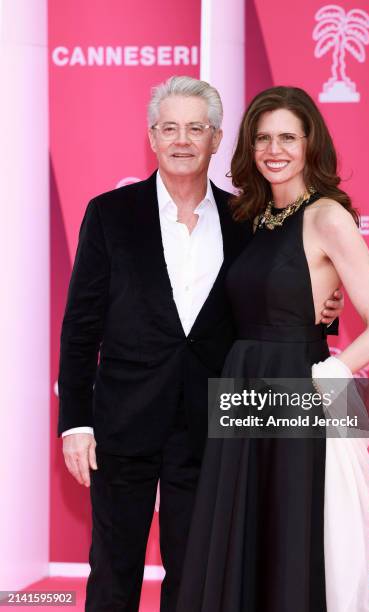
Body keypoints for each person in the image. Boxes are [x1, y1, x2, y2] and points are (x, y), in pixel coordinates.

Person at [57, 76, 344, 612]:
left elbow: (273, 300)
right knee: (113, 570)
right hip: (123, 422)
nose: (182, 140)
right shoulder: (110, 214)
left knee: (198, 577)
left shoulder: (248, 220)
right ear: (152, 137)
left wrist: (328, 312)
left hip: (213, 426)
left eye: (197, 128)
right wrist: (76, 421)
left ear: (216, 140)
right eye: (170, 128)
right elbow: (79, 329)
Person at [176, 86, 369, 612]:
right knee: (243, 533)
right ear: (249, 147)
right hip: (241, 384)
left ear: (309, 144)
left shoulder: (327, 215)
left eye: (287, 138)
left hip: (298, 388)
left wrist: (331, 373)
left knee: (290, 532)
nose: (274, 150)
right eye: (263, 138)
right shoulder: (250, 217)